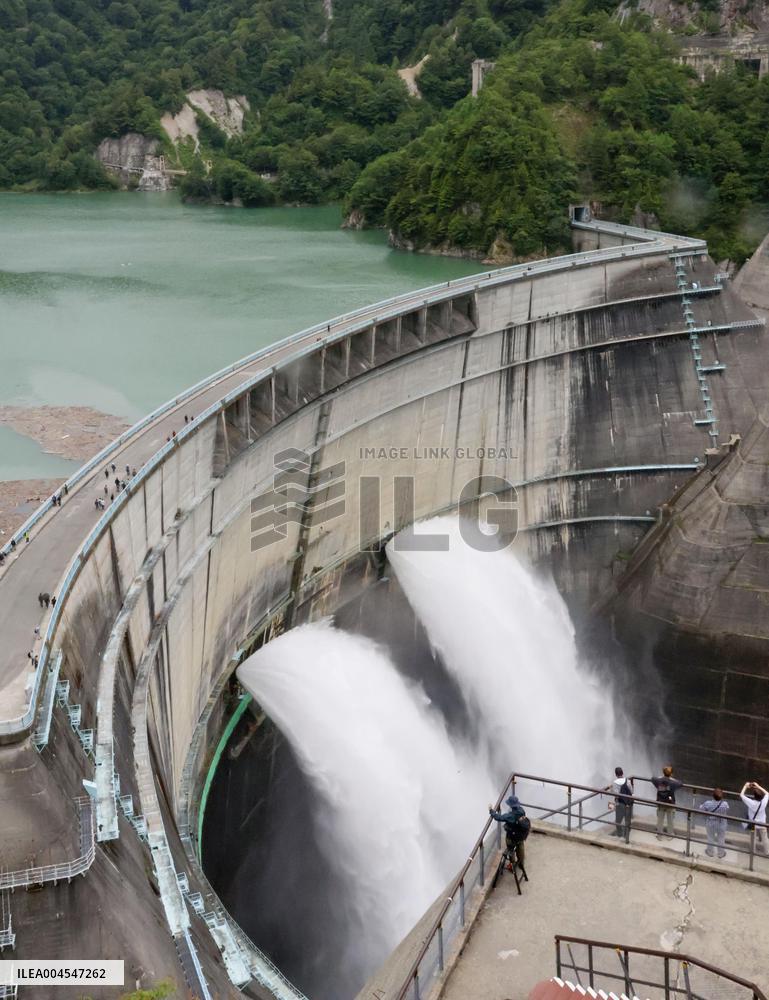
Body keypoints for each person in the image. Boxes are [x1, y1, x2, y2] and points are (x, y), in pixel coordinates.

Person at [489, 795, 531, 870]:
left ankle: (512, 864)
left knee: (510, 849)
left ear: (510, 805)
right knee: (520, 846)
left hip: (512, 837)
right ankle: (521, 863)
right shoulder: (522, 810)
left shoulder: (510, 816)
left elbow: (498, 817)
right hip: (521, 835)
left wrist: (491, 811)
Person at [652, 766, 683, 839]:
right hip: (670, 803)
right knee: (670, 820)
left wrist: (661, 777)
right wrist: (672, 779)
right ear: (671, 774)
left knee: (660, 819)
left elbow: (652, 778)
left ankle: (659, 835)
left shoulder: (658, 781)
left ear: (663, 773)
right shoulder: (673, 783)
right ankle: (670, 835)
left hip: (660, 802)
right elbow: (681, 783)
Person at [740, 781, 769, 855]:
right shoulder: (764, 802)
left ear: (754, 796)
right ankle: (767, 852)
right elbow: (767, 793)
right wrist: (758, 786)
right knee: (765, 838)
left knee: (753, 838)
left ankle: (753, 851)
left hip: (753, 824)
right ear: (761, 797)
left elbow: (741, 795)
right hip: (762, 823)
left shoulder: (751, 802)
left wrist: (745, 786)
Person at [701, 788, 729, 858]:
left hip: (711, 822)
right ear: (722, 796)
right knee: (721, 838)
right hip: (721, 823)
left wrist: (701, 806)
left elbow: (701, 809)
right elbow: (727, 808)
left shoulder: (708, 803)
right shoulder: (725, 804)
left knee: (710, 837)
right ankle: (721, 853)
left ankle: (710, 852)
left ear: (712, 795)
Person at [610, 767, 634, 839]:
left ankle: (619, 834)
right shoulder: (628, 781)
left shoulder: (614, 783)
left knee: (618, 820)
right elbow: (631, 791)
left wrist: (611, 788)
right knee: (627, 819)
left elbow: (615, 794)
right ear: (622, 773)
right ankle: (626, 835)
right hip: (628, 803)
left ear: (616, 774)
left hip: (619, 803)